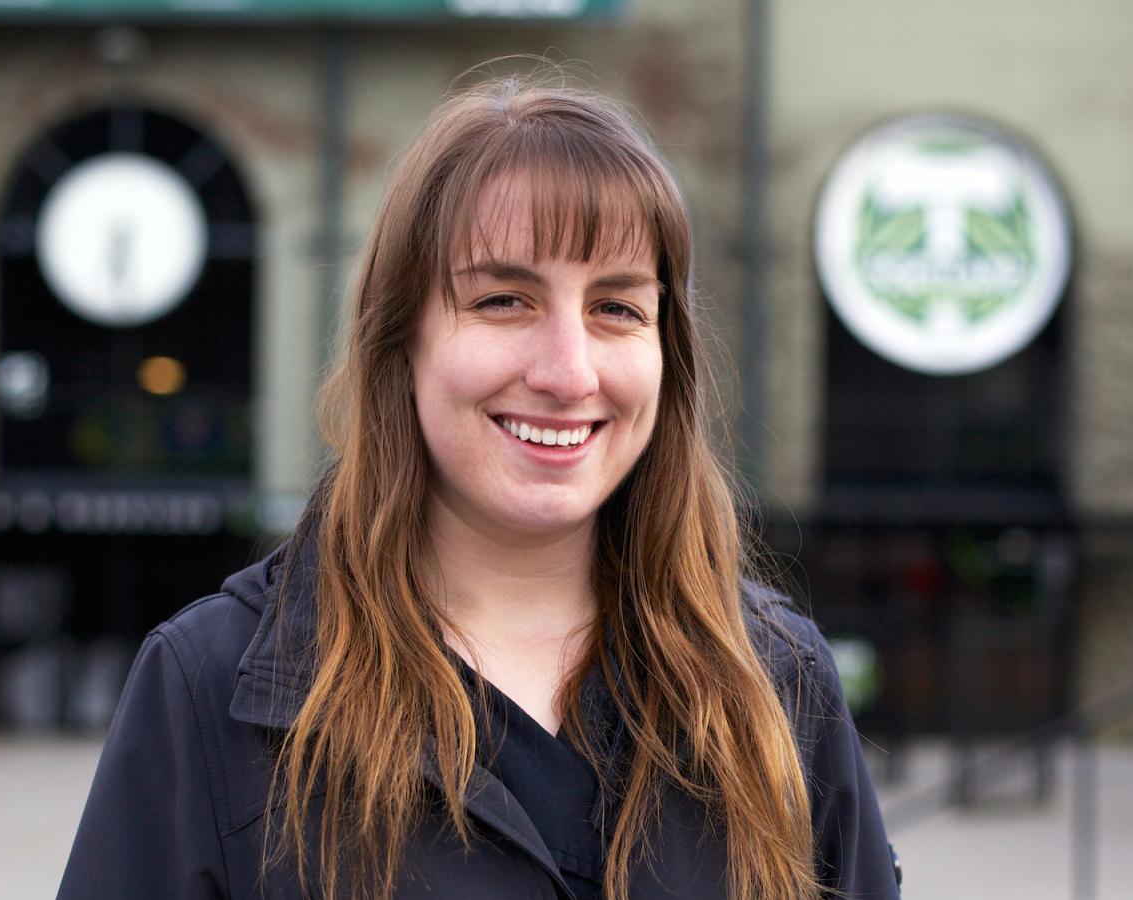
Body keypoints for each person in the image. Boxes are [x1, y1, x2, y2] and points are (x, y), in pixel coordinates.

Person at [58, 71, 900, 900]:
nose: (569, 372)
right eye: (504, 299)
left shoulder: (775, 683)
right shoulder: (211, 691)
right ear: (402, 341)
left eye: (616, 308)